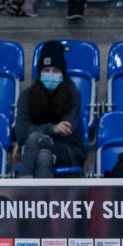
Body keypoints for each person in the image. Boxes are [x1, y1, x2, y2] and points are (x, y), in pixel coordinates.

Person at [14, 40, 87, 179]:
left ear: (62, 73)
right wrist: (52, 129)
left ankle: (22, 188)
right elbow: (22, 131)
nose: (51, 74)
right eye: (46, 70)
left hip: (66, 151)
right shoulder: (26, 96)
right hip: (37, 150)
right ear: (40, 73)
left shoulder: (73, 95)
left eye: (55, 70)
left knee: (35, 137)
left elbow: (67, 133)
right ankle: (44, 199)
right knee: (43, 156)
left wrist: (32, 136)